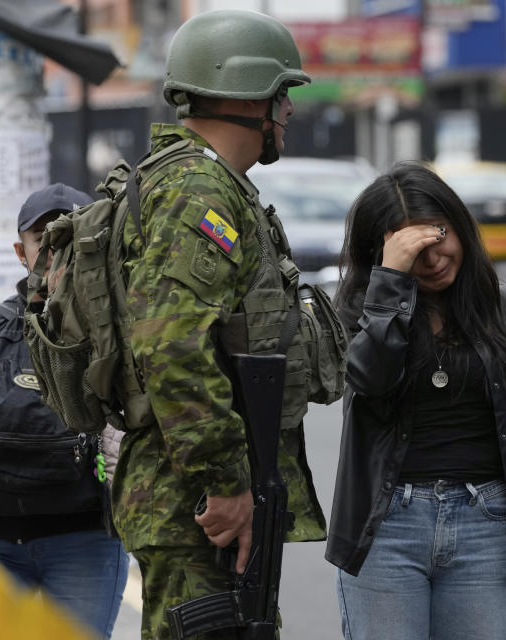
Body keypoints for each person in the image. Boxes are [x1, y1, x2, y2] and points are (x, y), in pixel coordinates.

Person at [112, 10, 335, 639]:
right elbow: (172, 348)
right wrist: (225, 483)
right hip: (199, 505)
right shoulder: (198, 193)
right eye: (282, 94)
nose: (288, 111)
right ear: (250, 99)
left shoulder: (202, 184)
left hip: (198, 498)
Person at [326, 161, 506, 639]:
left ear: (460, 226)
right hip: (386, 527)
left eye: (439, 236)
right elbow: (370, 378)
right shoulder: (362, 312)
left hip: (485, 523)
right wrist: (391, 285)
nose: (432, 258)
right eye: (411, 248)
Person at [0, 183, 128, 638]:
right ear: (19, 251)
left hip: (85, 541)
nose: (55, 251)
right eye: (42, 239)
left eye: (68, 238)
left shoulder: (121, 331)